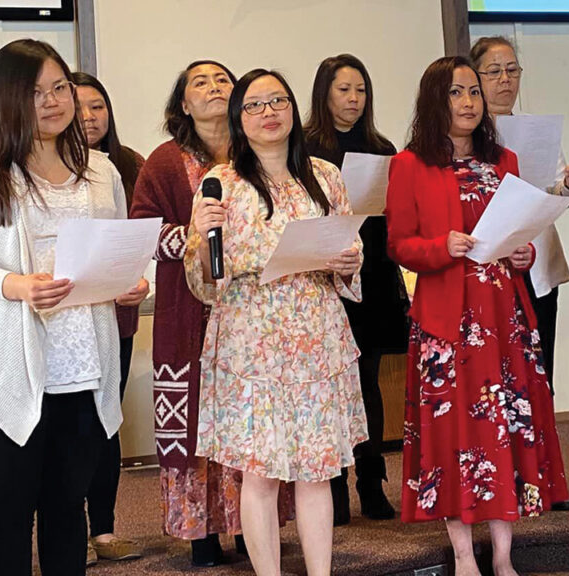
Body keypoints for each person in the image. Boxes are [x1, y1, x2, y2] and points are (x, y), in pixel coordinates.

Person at [0, 39, 148, 576]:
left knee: (66, 505)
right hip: (7, 362)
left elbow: (114, 249)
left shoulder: (100, 170)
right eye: (36, 92)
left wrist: (130, 282)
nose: (53, 102)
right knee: (9, 505)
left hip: (83, 362)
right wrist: (15, 285)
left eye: (60, 88)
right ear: (9, 97)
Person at [387, 56, 569, 576]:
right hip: (447, 321)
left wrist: (524, 255)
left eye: (473, 92)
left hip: (503, 313)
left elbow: (522, 234)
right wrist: (441, 246)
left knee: (503, 430)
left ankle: (505, 556)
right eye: (455, 93)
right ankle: (465, 557)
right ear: (434, 101)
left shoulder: (504, 159)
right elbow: (400, 245)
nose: (468, 102)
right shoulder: (408, 165)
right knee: (454, 438)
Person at [183, 68, 368, 576]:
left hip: (317, 336)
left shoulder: (325, 175)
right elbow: (204, 277)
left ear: (293, 110)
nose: (268, 113)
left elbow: (348, 252)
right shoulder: (221, 183)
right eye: (255, 105)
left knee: (316, 471)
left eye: (278, 102)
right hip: (250, 343)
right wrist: (200, 236)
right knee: (260, 475)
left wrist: (350, 262)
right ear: (239, 119)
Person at [132, 60, 293, 567]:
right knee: (196, 423)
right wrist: (194, 237)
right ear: (183, 103)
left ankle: (253, 530)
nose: (213, 88)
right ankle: (201, 532)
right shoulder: (162, 162)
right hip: (188, 314)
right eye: (199, 82)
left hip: (252, 316)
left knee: (251, 422)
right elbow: (144, 233)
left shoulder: (259, 157)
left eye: (223, 79)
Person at [304, 53, 408, 525]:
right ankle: (334, 485)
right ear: (324, 94)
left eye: (360, 90)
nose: (353, 99)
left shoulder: (382, 146)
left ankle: (371, 479)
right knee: (331, 384)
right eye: (343, 89)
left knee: (367, 378)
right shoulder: (304, 147)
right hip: (325, 275)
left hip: (374, 271)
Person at [470, 36, 569, 418]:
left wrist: (568, 187)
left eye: (512, 70)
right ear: (475, 78)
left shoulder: (536, 131)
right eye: (494, 72)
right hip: (483, 269)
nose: (505, 80)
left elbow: (554, 194)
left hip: (536, 266)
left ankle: (542, 460)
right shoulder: (461, 136)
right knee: (493, 376)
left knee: (539, 368)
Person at [71, 71, 145, 565]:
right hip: (64, 319)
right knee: (66, 430)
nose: (89, 117)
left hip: (115, 319)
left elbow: (140, 240)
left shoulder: (127, 165)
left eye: (98, 106)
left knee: (105, 423)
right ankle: (68, 530)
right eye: (79, 107)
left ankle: (104, 529)